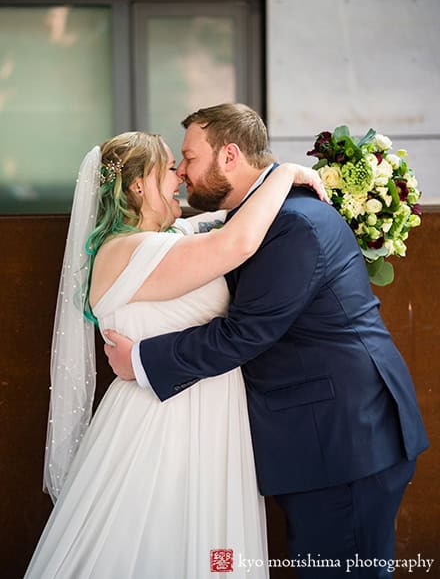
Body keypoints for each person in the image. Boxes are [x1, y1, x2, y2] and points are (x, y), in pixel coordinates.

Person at [105, 103, 429, 578]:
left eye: (190, 158)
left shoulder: (294, 223)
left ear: (230, 156)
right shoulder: (260, 217)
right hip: (325, 437)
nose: (182, 172)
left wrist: (144, 360)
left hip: (345, 441)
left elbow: (247, 331)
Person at [24, 130, 327, 579]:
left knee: (206, 554)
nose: (180, 176)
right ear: (137, 186)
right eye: (169, 167)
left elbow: (218, 222)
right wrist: (283, 173)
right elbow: (235, 244)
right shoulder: (134, 249)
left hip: (198, 413)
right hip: (165, 425)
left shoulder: (156, 241)